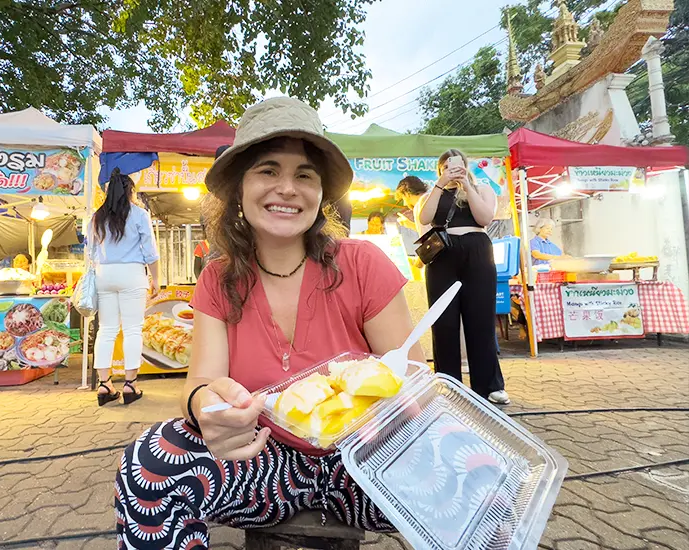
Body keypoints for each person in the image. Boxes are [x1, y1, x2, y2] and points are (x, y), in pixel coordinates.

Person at [114, 97, 424, 549]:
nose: (287, 188)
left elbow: (412, 380)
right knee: (150, 461)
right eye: (267, 170)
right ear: (239, 188)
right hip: (260, 458)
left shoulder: (363, 265)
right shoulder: (218, 280)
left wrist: (402, 408)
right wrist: (207, 409)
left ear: (321, 195)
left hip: (364, 461)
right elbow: (200, 383)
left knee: (480, 471)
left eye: (305, 175)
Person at [416, 149, 509, 405]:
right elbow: (425, 218)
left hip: (477, 251)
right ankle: (448, 383)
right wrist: (441, 184)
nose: (453, 169)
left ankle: (489, 385)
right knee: (443, 321)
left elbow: (485, 218)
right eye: (447, 166)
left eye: (458, 165)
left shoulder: (482, 190)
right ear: (440, 168)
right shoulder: (432, 193)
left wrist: (466, 185)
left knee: (480, 320)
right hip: (442, 255)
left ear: (466, 166)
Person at [92, 168, 160, 407]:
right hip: (132, 273)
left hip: (104, 274)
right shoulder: (139, 214)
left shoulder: (96, 216)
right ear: (130, 192)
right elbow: (150, 252)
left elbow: (91, 253)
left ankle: (104, 384)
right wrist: (156, 280)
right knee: (133, 330)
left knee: (107, 330)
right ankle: (130, 384)